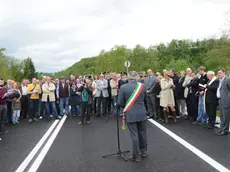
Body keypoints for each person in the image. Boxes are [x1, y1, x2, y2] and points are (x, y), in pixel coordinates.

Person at [118, 71, 147, 162]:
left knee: (134, 135)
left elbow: (120, 103)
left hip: (130, 113)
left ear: (128, 77)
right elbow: (145, 99)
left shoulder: (123, 87)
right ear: (137, 77)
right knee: (142, 133)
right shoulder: (142, 86)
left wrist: (125, 107)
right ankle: (144, 152)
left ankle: (136, 156)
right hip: (142, 112)